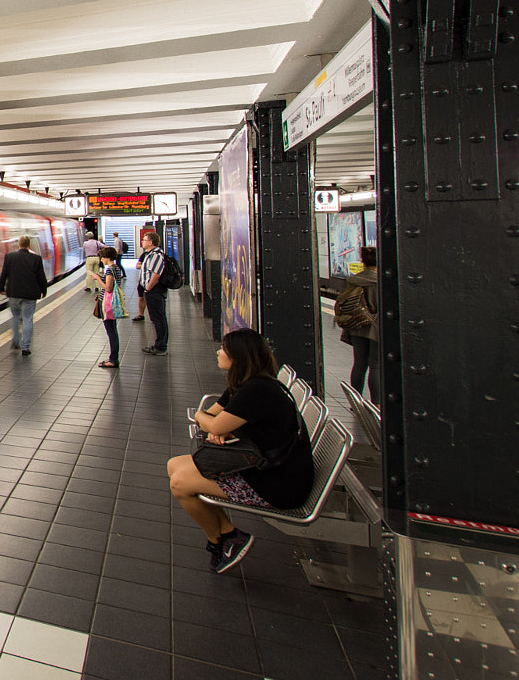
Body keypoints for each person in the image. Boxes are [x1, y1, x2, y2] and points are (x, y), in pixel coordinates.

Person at [166, 328, 315, 572]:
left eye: (223, 349)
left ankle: (218, 540)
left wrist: (215, 425)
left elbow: (208, 420)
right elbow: (213, 416)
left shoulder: (256, 391)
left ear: (238, 357)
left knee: (180, 483)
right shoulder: (246, 383)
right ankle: (228, 533)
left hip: (280, 485)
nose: (218, 351)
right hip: (266, 466)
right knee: (174, 465)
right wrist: (215, 424)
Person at [0, 234, 48, 356]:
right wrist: (44, 290)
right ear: (29, 245)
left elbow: (4, 274)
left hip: (14, 293)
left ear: (18, 245)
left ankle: (15, 341)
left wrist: (1, 288)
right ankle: (25, 347)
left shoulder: (10, 257)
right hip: (30, 294)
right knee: (27, 319)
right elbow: (41, 277)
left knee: (15, 317)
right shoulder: (36, 259)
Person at [341, 246, 380, 404]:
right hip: (375, 328)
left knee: (359, 364)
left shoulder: (355, 280)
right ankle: (376, 403)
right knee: (375, 366)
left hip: (357, 325)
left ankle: (355, 402)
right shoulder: (380, 281)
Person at [136, 231, 169, 354]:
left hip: (154, 291)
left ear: (150, 242)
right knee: (157, 318)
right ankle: (160, 344)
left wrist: (148, 289)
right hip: (152, 291)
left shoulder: (155, 256)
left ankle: (160, 347)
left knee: (158, 319)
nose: (142, 242)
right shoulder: (150, 254)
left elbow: (156, 274)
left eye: (144, 240)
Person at [95, 246, 126, 368]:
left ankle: (113, 359)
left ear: (107, 258)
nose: (101, 260)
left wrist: (97, 278)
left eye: (102, 257)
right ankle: (113, 358)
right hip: (111, 302)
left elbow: (108, 288)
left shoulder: (109, 270)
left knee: (111, 332)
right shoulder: (116, 268)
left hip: (108, 304)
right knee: (113, 331)